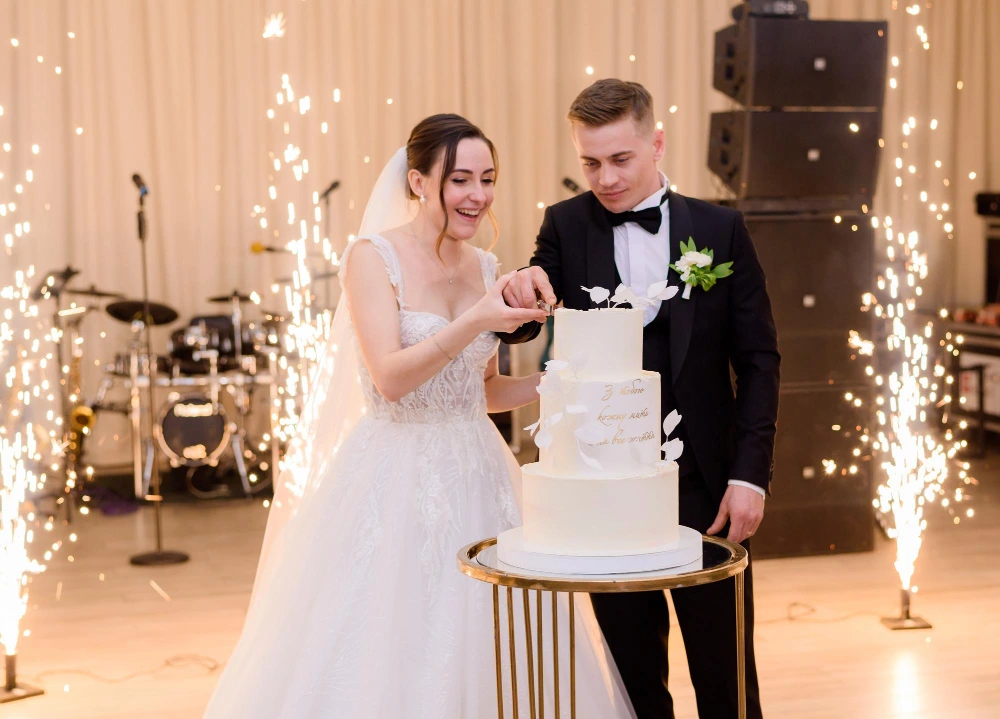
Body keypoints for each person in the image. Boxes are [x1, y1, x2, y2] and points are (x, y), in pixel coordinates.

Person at [204, 114, 636, 718]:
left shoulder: (487, 268)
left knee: (503, 639)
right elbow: (392, 378)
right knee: (389, 636)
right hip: (395, 473)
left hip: (480, 468)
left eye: (487, 179)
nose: (477, 196)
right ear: (416, 181)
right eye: (459, 179)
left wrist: (560, 382)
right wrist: (476, 322)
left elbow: (480, 392)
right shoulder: (371, 258)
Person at [498, 79, 780, 719]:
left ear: (655, 142)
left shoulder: (722, 228)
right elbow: (527, 313)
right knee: (632, 678)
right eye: (590, 162)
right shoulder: (565, 227)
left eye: (620, 159)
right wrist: (518, 289)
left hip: (708, 486)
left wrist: (749, 477)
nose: (605, 177)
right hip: (606, 489)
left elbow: (759, 361)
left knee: (727, 673)